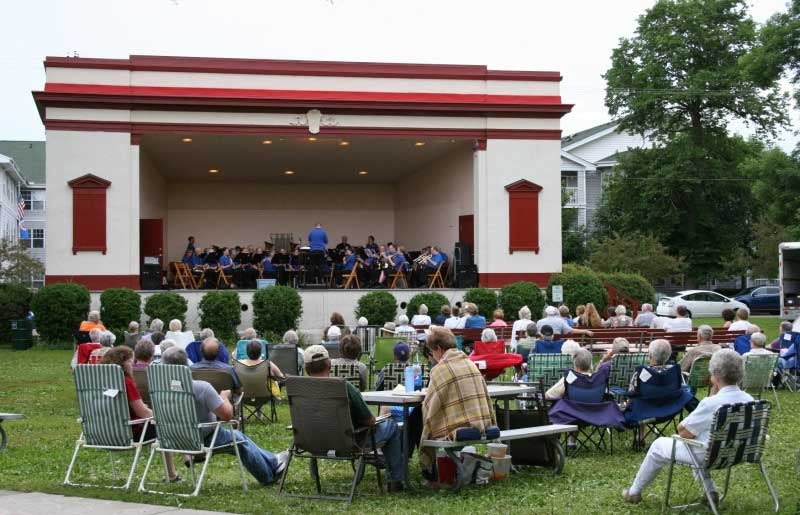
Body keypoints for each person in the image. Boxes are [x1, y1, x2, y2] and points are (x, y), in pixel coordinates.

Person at [622, 350, 753, 505]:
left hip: (711, 455)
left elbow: (684, 432)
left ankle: (634, 492)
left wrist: (711, 397)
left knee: (660, 445)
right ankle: (710, 491)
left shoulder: (711, 404)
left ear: (715, 376)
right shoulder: (749, 399)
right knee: (701, 440)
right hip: (739, 452)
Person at [161, 347, 289, 483]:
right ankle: (268, 475)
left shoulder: (159, 388)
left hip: (170, 438)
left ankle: (274, 461)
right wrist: (224, 397)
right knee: (239, 439)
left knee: (239, 438)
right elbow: (227, 416)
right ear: (186, 363)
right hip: (202, 438)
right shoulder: (201, 388)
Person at [302, 344, 405, 492]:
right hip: (350, 442)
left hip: (313, 441)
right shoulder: (344, 387)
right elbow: (369, 421)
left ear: (306, 369)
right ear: (330, 364)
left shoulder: (299, 388)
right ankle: (395, 480)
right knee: (391, 426)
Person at [420, 327, 496, 485]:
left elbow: (429, 407)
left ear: (439, 349)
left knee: (416, 420)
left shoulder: (440, 369)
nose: (432, 356)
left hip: (460, 425)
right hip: (482, 421)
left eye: (432, 352)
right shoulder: (470, 363)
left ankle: (428, 474)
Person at [101, 346, 179, 481]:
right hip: (130, 432)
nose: (133, 365)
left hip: (102, 431)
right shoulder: (125, 382)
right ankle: (172, 475)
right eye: (131, 362)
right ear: (123, 363)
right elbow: (142, 412)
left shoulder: (99, 382)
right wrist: (163, 416)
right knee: (164, 426)